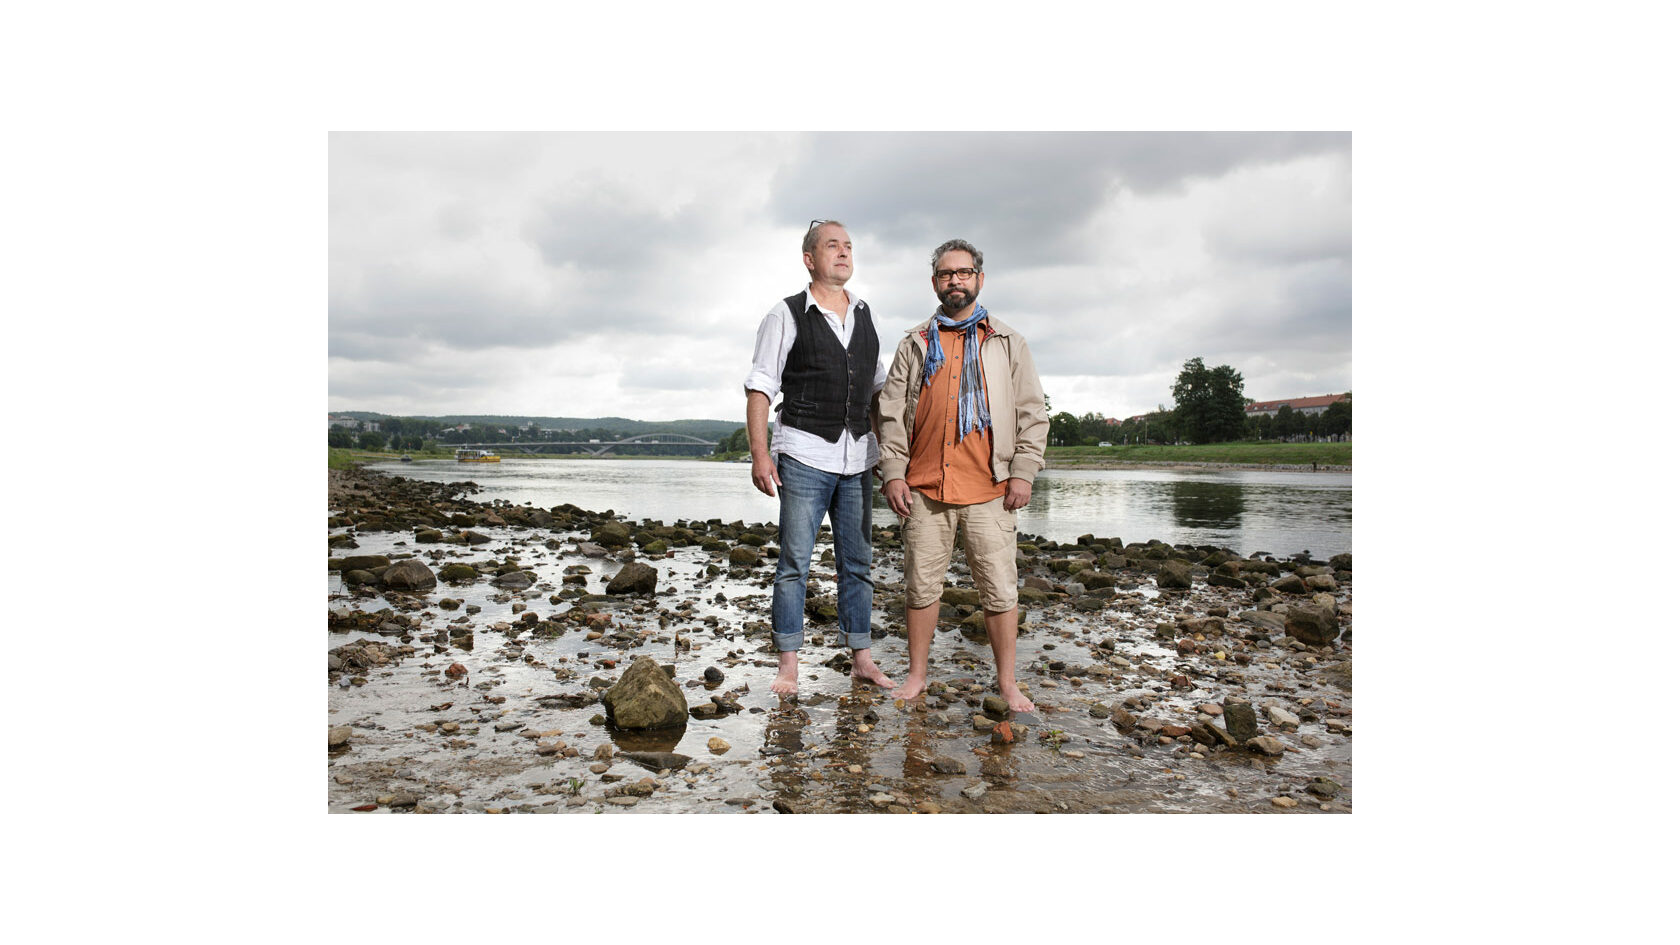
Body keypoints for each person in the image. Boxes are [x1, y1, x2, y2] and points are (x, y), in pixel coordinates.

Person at [878, 238, 1048, 712]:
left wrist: (1024, 473)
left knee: (999, 588)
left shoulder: (1008, 342)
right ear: (935, 282)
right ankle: (916, 676)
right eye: (946, 273)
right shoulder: (915, 342)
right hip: (925, 488)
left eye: (964, 272)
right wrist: (894, 472)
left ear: (979, 278)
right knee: (920, 586)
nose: (955, 280)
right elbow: (890, 412)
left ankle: (1008, 683)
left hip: (990, 488)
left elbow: (1033, 412)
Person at [743, 220, 895, 697]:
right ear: (810, 259)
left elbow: (877, 392)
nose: (844, 253)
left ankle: (861, 659)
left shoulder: (865, 313)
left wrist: (888, 457)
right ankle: (788, 666)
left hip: (857, 460)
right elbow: (760, 386)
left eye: (849, 246)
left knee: (858, 562)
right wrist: (760, 455)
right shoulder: (786, 315)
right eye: (833, 246)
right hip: (804, 454)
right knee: (794, 563)